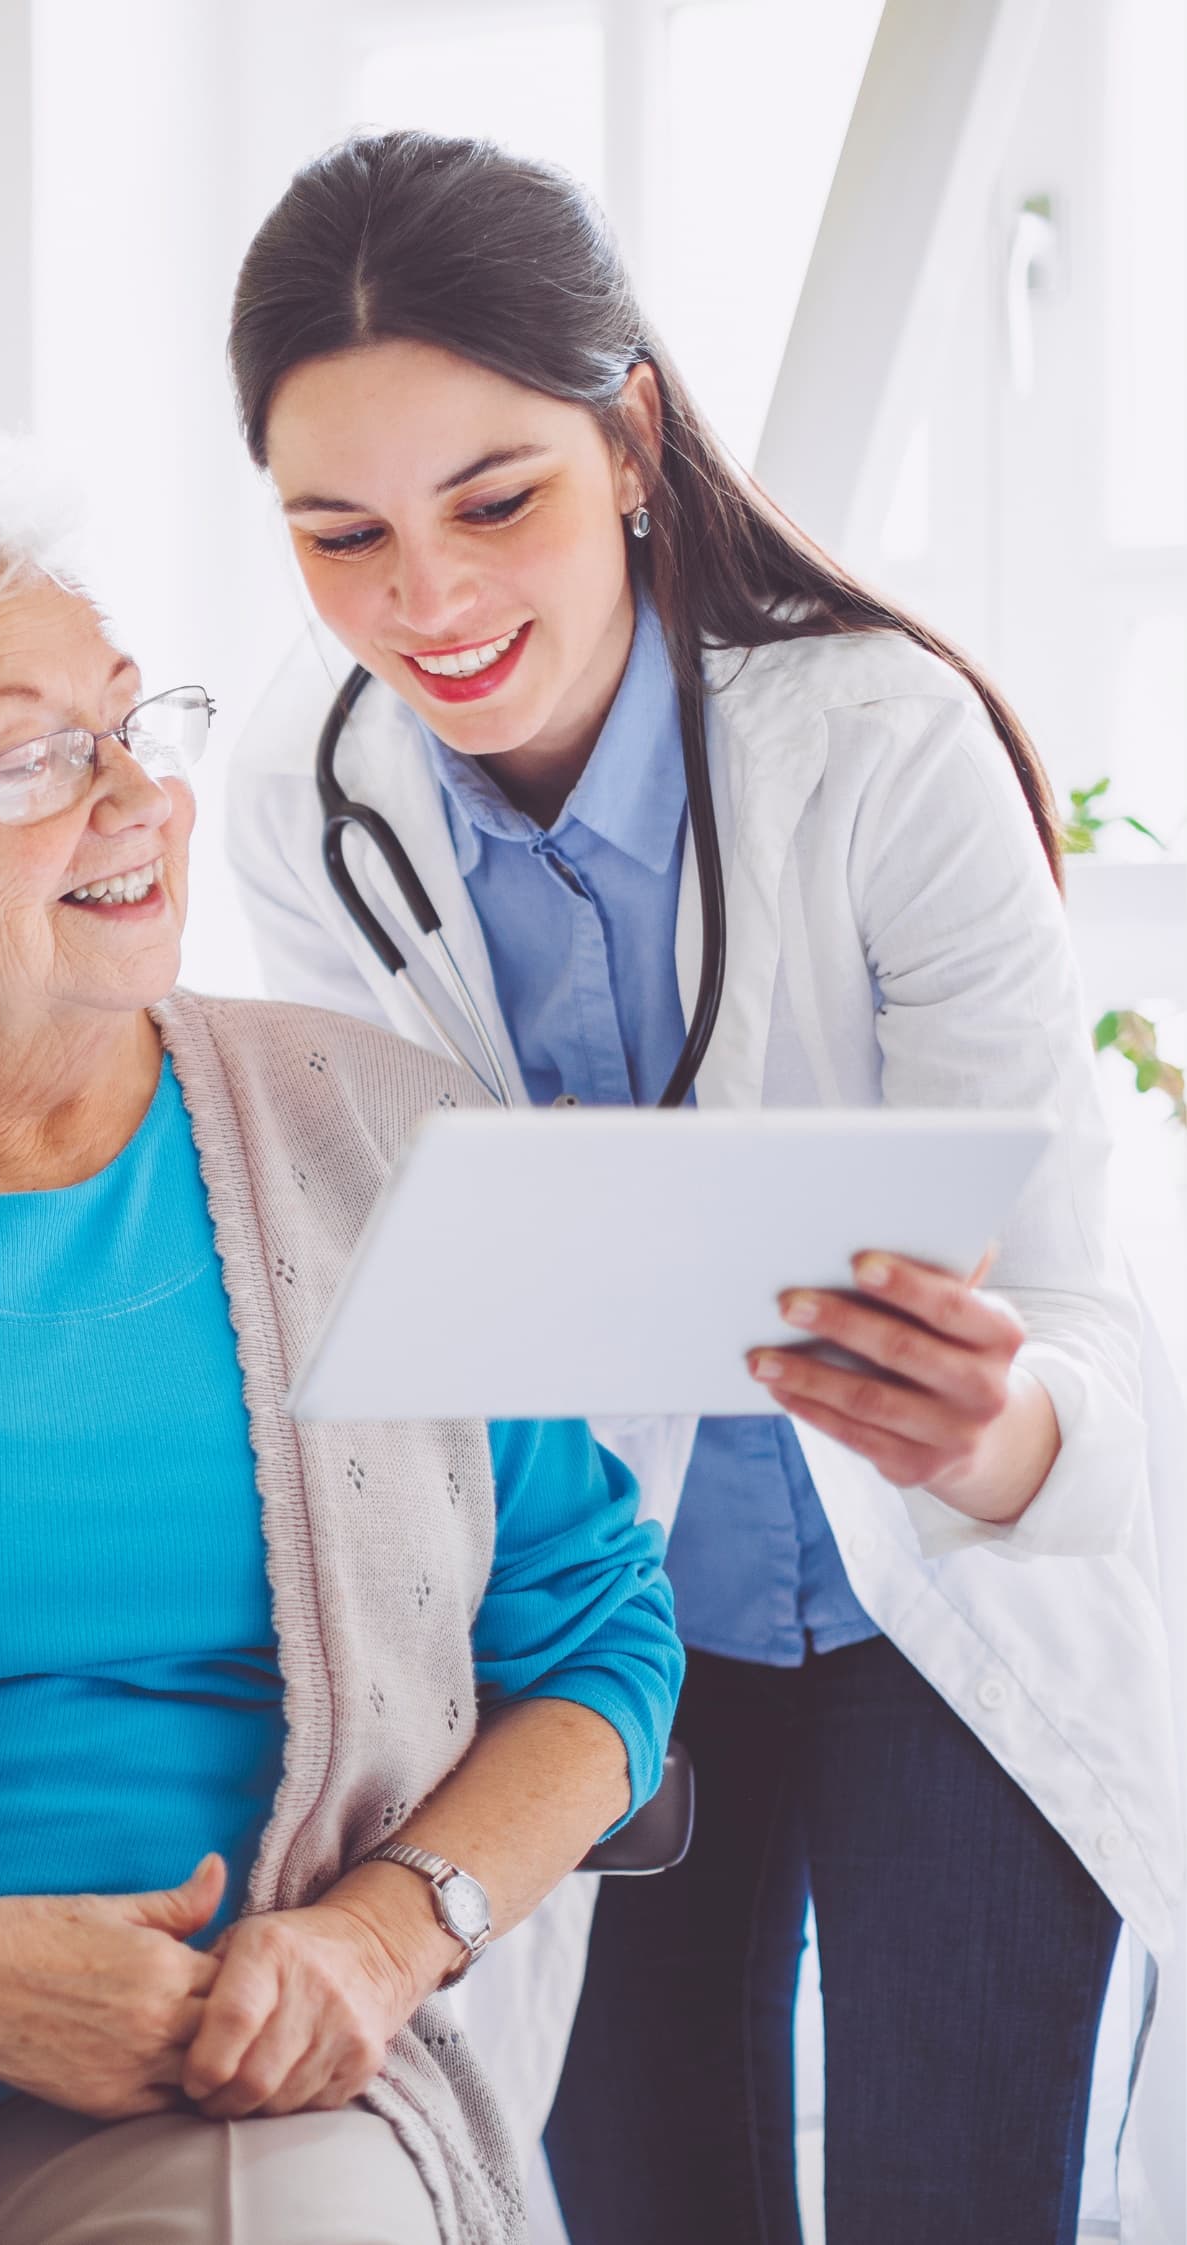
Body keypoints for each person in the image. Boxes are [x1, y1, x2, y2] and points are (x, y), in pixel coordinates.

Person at [222, 131, 1180, 2245]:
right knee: (636, 2205)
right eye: (339, 536)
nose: (431, 604)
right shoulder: (311, 792)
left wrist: (998, 1423)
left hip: (940, 1615)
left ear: (631, 435)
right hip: (595, 1632)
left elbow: (1074, 1311)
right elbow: (409, 1250)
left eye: (497, 501)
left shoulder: (881, 744)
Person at [0, 428, 683, 2245]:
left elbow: (596, 1636)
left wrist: (381, 1929)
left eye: (130, 723)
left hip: (226, 2077)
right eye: (29, 757)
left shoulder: (388, 1137)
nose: (133, 798)